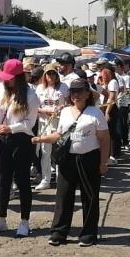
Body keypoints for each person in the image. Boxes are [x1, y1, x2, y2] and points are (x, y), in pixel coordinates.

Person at [32, 78, 109, 247]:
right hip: (68, 159)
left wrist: (103, 163)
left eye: (80, 91)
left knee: (90, 197)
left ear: (88, 94)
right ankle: (59, 233)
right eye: (73, 91)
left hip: (89, 158)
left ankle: (89, 233)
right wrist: (42, 139)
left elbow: (104, 140)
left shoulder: (96, 113)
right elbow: (59, 135)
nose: (76, 95)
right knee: (63, 196)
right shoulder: (65, 112)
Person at [0, 59, 40, 238]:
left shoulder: (31, 96)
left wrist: (11, 128)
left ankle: (24, 221)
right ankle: (1, 218)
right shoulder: (2, 91)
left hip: (22, 140)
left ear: (18, 77)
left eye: (9, 78)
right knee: (3, 179)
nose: (5, 81)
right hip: (3, 139)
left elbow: (29, 123)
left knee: (22, 179)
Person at [35, 64, 69, 190]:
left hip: (60, 123)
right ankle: (45, 179)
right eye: (49, 73)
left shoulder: (63, 87)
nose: (51, 76)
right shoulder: (40, 88)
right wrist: (44, 111)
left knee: (60, 151)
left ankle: (62, 178)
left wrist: (62, 108)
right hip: (45, 123)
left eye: (53, 73)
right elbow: (34, 107)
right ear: (45, 75)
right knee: (45, 152)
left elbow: (69, 103)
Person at [98, 65, 121, 165]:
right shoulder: (107, 83)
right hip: (104, 108)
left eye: (103, 74)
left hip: (110, 109)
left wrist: (107, 112)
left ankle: (111, 155)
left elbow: (111, 98)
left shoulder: (113, 82)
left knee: (111, 133)